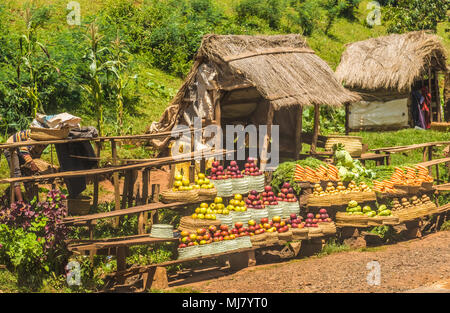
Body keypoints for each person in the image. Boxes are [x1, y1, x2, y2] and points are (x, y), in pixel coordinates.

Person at [3, 129, 47, 202]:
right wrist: (32, 163)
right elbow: (23, 150)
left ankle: (31, 200)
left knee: (26, 172)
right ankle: (21, 203)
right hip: (11, 147)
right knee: (16, 173)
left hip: (21, 148)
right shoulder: (34, 136)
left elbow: (36, 151)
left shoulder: (46, 138)